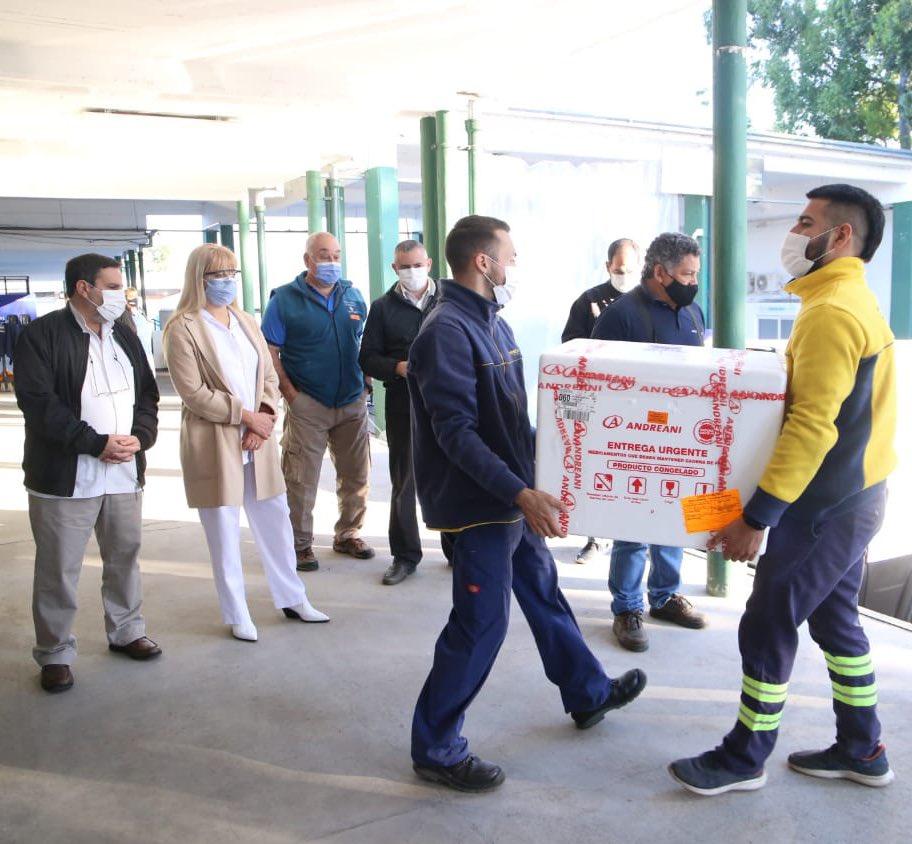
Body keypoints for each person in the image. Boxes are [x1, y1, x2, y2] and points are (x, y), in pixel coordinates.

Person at [670, 184, 897, 795]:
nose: (794, 234)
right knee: (836, 620)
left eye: (805, 222)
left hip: (825, 505)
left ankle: (744, 757)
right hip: (857, 495)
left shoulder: (831, 312)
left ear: (840, 235)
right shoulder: (846, 299)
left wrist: (758, 516)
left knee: (768, 618)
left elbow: (813, 425)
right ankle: (863, 747)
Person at [408, 215, 646, 793]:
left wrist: (555, 476)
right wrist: (518, 491)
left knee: (543, 592)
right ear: (483, 263)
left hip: (512, 497)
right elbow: (457, 433)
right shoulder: (446, 331)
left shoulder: (494, 325)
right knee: (480, 625)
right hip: (480, 504)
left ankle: (587, 694)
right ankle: (436, 747)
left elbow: (514, 420)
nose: (515, 267)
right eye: (509, 257)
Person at [163, 244, 329, 642]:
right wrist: (245, 416)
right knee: (223, 529)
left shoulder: (244, 320)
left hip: (258, 440)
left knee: (274, 519)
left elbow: (269, 374)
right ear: (199, 279)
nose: (227, 282)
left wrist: (265, 418)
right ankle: (237, 613)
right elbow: (193, 393)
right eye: (218, 275)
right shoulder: (182, 327)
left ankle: (292, 597)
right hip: (215, 440)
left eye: (232, 273)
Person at [14, 252, 161, 694]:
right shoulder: (42, 336)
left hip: (122, 473)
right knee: (59, 569)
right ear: (84, 288)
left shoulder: (125, 335)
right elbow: (39, 405)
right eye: (113, 286)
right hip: (66, 476)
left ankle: (126, 630)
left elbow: (148, 396)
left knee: (124, 556)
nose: (120, 295)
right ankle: (56, 653)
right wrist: (96, 443)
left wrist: (140, 436)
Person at [591, 233, 708, 652]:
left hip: (683, 439)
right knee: (633, 525)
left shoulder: (693, 312)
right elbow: (599, 383)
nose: (693, 282)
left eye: (696, 273)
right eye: (686, 274)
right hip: (634, 442)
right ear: (659, 272)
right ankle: (627, 606)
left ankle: (664, 596)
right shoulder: (621, 317)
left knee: (675, 518)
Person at [261, 233, 373, 572]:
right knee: (300, 477)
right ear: (308, 259)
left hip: (352, 400)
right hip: (308, 402)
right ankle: (299, 544)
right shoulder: (284, 299)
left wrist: (366, 386)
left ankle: (348, 534)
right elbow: (270, 350)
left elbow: (363, 341)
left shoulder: (352, 295)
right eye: (324, 255)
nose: (331, 262)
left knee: (356, 473)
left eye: (336, 254)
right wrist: (290, 395)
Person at [359, 240, 438, 585]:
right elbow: (367, 358)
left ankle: (456, 547)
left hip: (447, 400)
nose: (412, 272)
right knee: (404, 479)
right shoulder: (383, 308)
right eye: (404, 266)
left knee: (449, 473)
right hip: (403, 400)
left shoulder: (448, 299)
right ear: (395, 269)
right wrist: (398, 367)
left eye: (417, 265)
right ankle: (405, 556)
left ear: (429, 264)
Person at [561, 238, 641, 564]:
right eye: (619, 270)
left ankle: (635, 538)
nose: (625, 275)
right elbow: (569, 346)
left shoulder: (648, 300)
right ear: (608, 266)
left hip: (637, 404)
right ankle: (597, 538)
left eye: (631, 270)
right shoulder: (589, 301)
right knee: (596, 466)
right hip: (597, 397)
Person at [122, 287, 156, 372]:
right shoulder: (125, 316)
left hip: (147, 357)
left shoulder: (140, 313)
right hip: (136, 360)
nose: (134, 300)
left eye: (135, 297)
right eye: (130, 297)